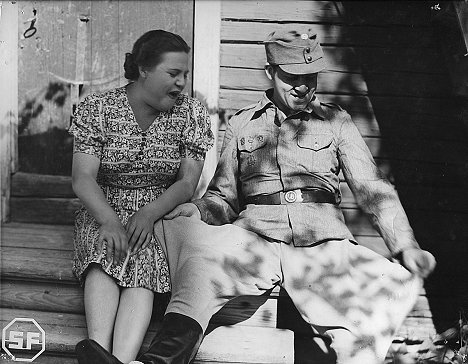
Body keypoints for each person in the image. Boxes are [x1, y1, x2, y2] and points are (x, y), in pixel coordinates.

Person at [78, 28, 436, 364]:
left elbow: (373, 188)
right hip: (253, 238)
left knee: (363, 319)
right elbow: (223, 197)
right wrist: (196, 210)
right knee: (198, 273)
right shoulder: (243, 123)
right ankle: (157, 361)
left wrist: (405, 245)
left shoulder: (335, 122)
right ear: (270, 72)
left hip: (322, 243)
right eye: (292, 77)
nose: (302, 87)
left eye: (309, 78)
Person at [70, 29, 214, 364]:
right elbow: (83, 177)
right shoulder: (98, 108)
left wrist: (148, 215)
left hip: (158, 209)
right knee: (105, 249)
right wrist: (108, 220)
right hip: (103, 205)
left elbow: (186, 183)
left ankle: (114, 360)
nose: (181, 83)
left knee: (143, 256)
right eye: (173, 73)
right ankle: (99, 350)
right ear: (144, 70)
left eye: (185, 74)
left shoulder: (191, 114)